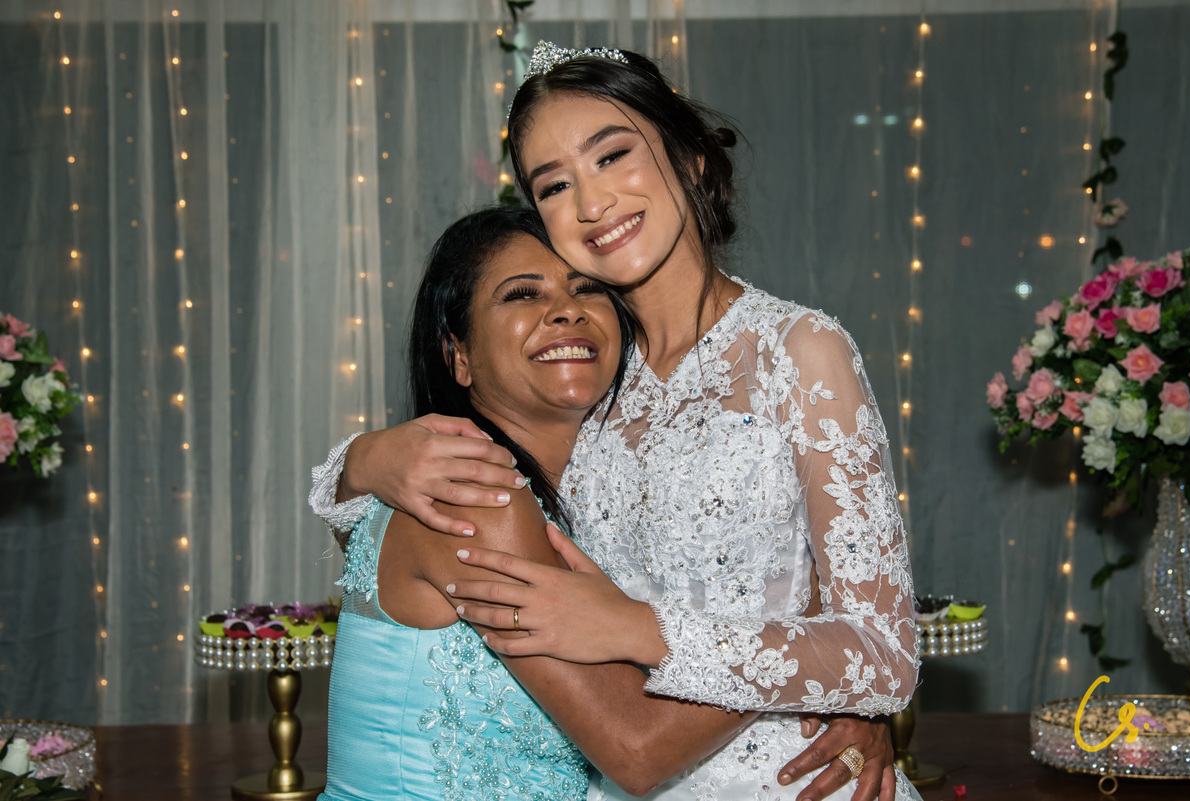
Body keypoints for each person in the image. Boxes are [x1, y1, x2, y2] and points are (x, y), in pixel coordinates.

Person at [312, 43, 920, 801]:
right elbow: (407, 548)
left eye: (611, 155)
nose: (593, 202)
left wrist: (645, 628)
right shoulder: (589, 383)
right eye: (555, 184)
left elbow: (886, 654)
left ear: (691, 157)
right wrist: (363, 460)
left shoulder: (798, 350)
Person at [322, 206, 776, 801]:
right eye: (522, 294)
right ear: (458, 355)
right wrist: (814, 639)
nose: (567, 309)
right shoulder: (478, 495)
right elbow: (637, 750)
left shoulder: (592, 497)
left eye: (587, 289)